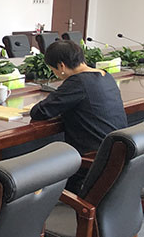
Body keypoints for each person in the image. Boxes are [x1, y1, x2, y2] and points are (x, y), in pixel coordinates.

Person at [29, 39, 127, 192]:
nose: (55, 74)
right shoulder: (105, 76)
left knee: (43, 175)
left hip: (92, 167)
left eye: (53, 70)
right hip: (116, 160)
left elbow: (40, 112)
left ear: (61, 66)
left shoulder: (78, 82)